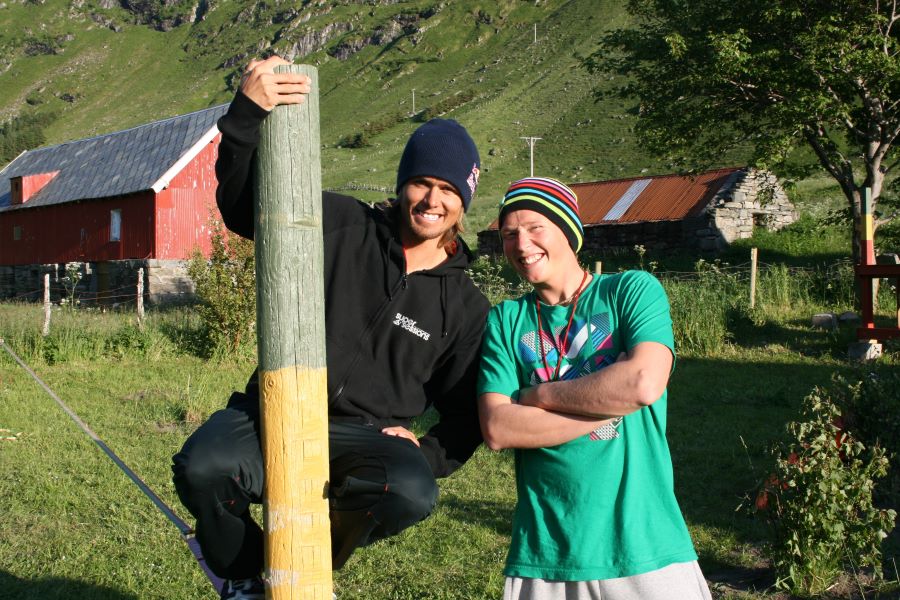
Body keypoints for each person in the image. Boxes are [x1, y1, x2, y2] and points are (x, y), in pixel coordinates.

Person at [172, 56, 490, 600]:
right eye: (420, 183)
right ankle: (247, 573)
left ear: (464, 199)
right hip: (273, 406)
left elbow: (466, 411)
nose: (432, 200)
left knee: (410, 491)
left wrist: (431, 452)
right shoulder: (340, 222)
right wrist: (245, 115)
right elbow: (243, 206)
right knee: (203, 467)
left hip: (366, 435)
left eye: (447, 188)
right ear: (402, 184)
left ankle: (313, 564)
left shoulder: (465, 305)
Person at [477, 177, 712, 600]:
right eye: (509, 234)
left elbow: (642, 382)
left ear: (568, 231)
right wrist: (608, 398)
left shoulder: (630, 291)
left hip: (645, 545)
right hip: (547, 552)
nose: (521, 243)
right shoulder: (506, 321)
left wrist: (537, 397)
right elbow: (499, 428)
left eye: (534, 227)